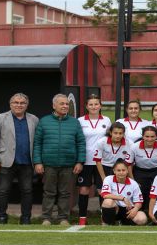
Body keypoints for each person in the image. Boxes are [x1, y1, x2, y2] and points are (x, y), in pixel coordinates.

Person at [33, 93, 86, 226]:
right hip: (48, 164)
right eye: (62, 104)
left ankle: (63, 218)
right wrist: (38, 162)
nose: (65, 106)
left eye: (67, 104)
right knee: (49, 192)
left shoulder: (75, 122)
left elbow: (80, 143)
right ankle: (46, 218)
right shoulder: (44, 121)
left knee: (65, 193)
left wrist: (80, 161)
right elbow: (37, 143)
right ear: (54, 105)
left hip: (69, 164)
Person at [0, 93, 39, 224]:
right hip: (6, 161)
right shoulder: (0, 118)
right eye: (16, 102)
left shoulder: (34, 119)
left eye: (22, 103)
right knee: (3, 190)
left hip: (27, 162)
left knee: (27, 191)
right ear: (10, 104)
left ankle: (26, 218)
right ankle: (2, 217)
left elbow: (38, 142)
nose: (19, 105)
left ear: (27, 105)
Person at [76, 94, 111, 225]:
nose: (93, 106)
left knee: (102, 190)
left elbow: (110, 138)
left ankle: (104, 219)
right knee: (84, 189)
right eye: (90, 104)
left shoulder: (106, 120)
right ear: (86, 106)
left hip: (102, 161)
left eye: (96, 104)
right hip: (85, 160)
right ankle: (82, 219)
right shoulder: (80, 120)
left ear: (100, 106)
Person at [130, 126, 157, 213]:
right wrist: (132, 179)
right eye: (147, 136)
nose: (149, 139)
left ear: (156, 136)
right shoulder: (134, 147)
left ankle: (156, 212)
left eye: (152, 136)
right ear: (142, 136)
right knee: (141, 191)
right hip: (140, 171)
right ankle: (141, 212)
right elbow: (129, 164)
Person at [99, 160, 148, 226]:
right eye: (118, 170)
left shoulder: (133, 183)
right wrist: (123, 198)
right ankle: (107, 223)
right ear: (114, 171)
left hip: (127, 209)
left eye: (123, 170)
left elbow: (139, 202)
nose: (121, 172)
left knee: (142, 219)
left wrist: (135, 209)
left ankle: (124, 223)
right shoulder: (108, 179)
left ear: (127, 171)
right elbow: (105, 195)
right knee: (108, 202)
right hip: (115, 208)